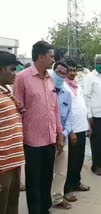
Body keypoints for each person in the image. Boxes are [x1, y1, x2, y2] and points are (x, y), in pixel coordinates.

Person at [14, 41, 64, 214]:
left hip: (50, 138)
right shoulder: (23, 78)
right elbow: (17, 110)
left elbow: (55, 108)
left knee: (46, 177)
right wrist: (18, 139)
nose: (53, 59)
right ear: (41, 57)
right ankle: (35, 210)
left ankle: (45, 208)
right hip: (32, 140)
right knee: (33, 180)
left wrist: (59, 133)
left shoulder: (50, 78)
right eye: (51, 56)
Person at [0, 51, 24, 214]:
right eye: (12, 69)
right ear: (1, 69)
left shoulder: (7, 92)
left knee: (12, 202)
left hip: (14, 160)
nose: (15, 73)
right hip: (3, 164)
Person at [63, 59, 91, 197]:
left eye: (74, 70)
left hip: (82, 127)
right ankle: (67, 188)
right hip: (71, 130)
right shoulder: (63, 87)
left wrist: (87, 124)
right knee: (70, 160)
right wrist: (71, 131)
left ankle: (76, 182)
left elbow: (82, 106)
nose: (73, 73)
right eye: (70, 70)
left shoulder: (77, 86)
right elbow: (65, 112)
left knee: (79, 158)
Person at [50, 62, 74, 209]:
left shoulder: (67, 94)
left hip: (62, 138)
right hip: (47, 138)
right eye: (58, 72)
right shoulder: (47, 90)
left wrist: (64, 134)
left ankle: (57, 198)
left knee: (61, 171)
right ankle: (43, 200)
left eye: (63, 73)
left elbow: (70, 117)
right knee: (46, 172)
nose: (60, 75)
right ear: (53, 71)